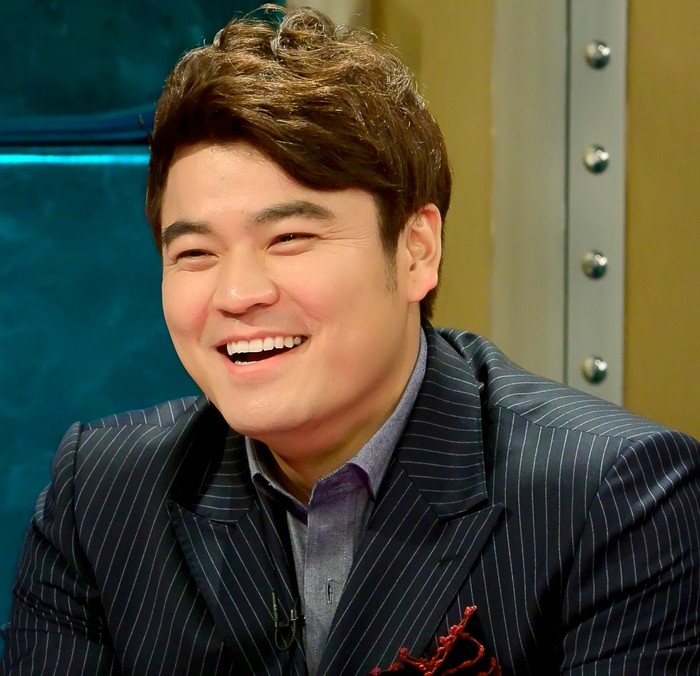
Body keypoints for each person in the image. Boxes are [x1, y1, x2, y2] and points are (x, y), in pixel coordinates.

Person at [2, 5, 699, 675]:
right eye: (194, 254)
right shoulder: (98, 501)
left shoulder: (616, 499)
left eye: (289, 238)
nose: (237, 294)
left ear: (417, 250)